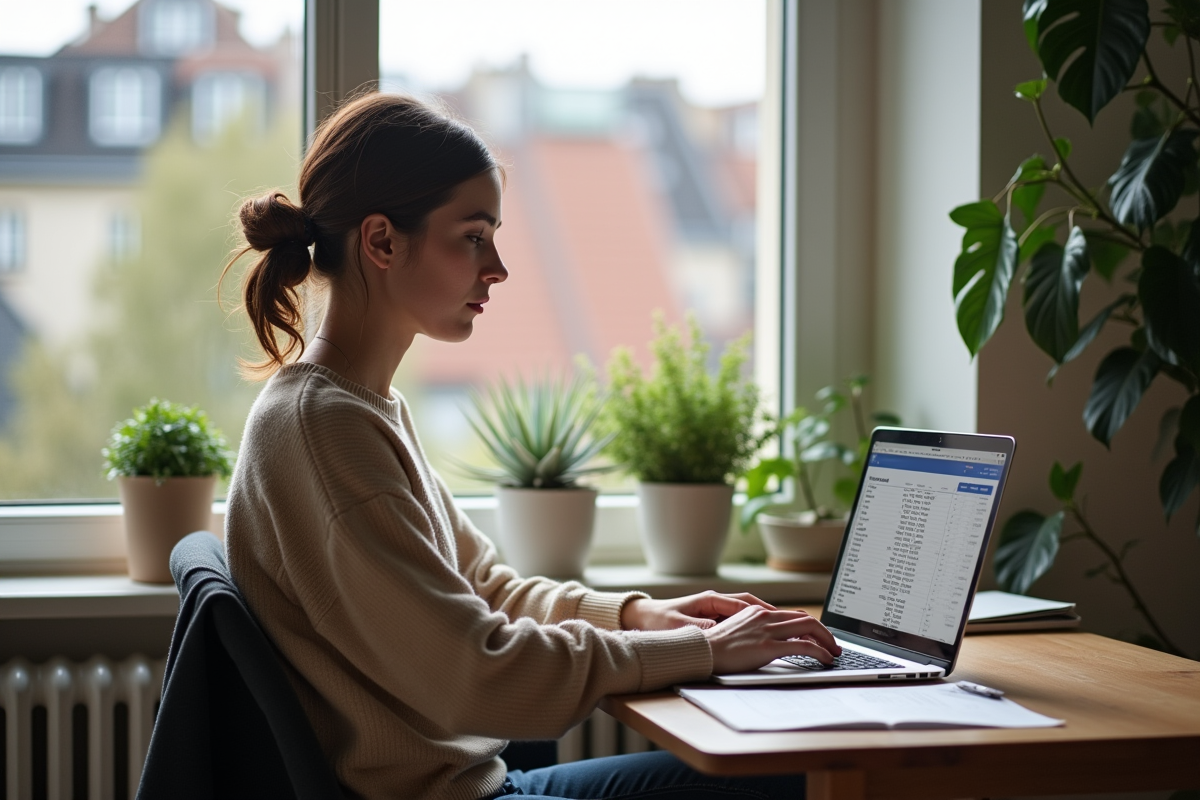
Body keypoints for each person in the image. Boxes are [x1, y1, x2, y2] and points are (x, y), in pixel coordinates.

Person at [222, 92, 840, 800]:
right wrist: (699, 650)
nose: (499, 268)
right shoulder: (323, 429)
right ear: (383, 242)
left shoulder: (359, 407)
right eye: (473, 237)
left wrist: (639, 617)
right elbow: (475, 674)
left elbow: (485, 589)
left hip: (479, 786)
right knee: (810, 773)